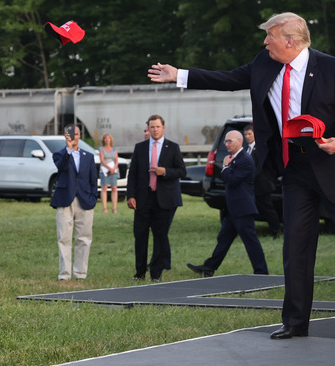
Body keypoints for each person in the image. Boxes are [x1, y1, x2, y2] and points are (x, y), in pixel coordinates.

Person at [148, 11, 335, 345]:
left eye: (270, 36)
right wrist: (179, 75)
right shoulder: (265, 63)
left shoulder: (333, 68)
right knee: (296, 248)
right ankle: (295, 322)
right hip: (295, 170)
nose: (264, 42)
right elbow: (229, 79)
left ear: (290, 41)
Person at [187, 130, 268, 277]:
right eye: (225, 141)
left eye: (230, 141)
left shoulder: (245, 160)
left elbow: (232, 180)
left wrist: (225, 167)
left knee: (251, 242)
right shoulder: (235, 158)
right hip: (233, 209)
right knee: (223, 239)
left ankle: (261, 272)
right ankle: (209, 267)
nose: (226, 144)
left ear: (239, 141)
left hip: (243, 209)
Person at [126, 115, 186, 281]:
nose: (155, 130)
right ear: (148, 128)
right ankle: (139, 273)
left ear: (163, 127)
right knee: (140, 236)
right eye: (151, 127)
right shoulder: (140, 147)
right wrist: (130, 195)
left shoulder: (172, 147)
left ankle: (156, 273)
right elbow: (133, 174)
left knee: (160, 237)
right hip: (143, 199)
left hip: (164, 199)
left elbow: (182, 171)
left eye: (157, 127)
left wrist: (164, 171)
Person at [50, 124, 97, 280]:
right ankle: (64, 274)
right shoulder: (59, 154)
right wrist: (68, 149)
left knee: (83, 238)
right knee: (63, 237)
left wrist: (92, 197)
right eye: (70, 135)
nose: (74, 137)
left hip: (85, 200)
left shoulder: (88, 156)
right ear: (66, 136)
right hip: (65, 200)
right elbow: (61, 167)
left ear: (80, 135)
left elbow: (92, 180)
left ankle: (80, 273)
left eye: (76, 134)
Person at [243, 124, 282, 238]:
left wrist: (246, 178)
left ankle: (276, 231)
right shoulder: (246, 149)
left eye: (250, 134)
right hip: (250, 186)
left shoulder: (260, 148)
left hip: (261, 185)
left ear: (255, 134)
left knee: (267, 209)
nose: (247, 136)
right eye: (245, 134)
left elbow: (258, 168)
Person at [99, 133, 119, 213]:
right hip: (104, 170)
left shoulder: (114, 149)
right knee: (104, 188)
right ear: (103, 140)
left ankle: (114, 208)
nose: (107, 140)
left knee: (114, 188)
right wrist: (109, 168)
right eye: (106, 138)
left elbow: (116, 160)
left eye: (108, 138)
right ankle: (105, 208)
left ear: (111, 140)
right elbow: (102, 160)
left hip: (114, 171)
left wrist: (114, 168)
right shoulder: (101, 149)